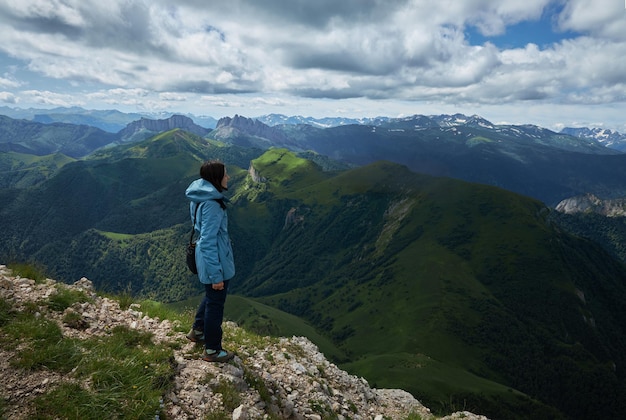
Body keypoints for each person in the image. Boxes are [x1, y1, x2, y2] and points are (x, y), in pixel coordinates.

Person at [185, 160, 235, 362]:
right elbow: (207, 241)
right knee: (216, 304)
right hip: (215, 261)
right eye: (225, 173)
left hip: (206, 258)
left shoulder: (199, 197)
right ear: (216, 178)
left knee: (210, 297)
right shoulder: (213, 204)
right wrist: (216, 275)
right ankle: (213, 349)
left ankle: (198, 331)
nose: (228, 177)